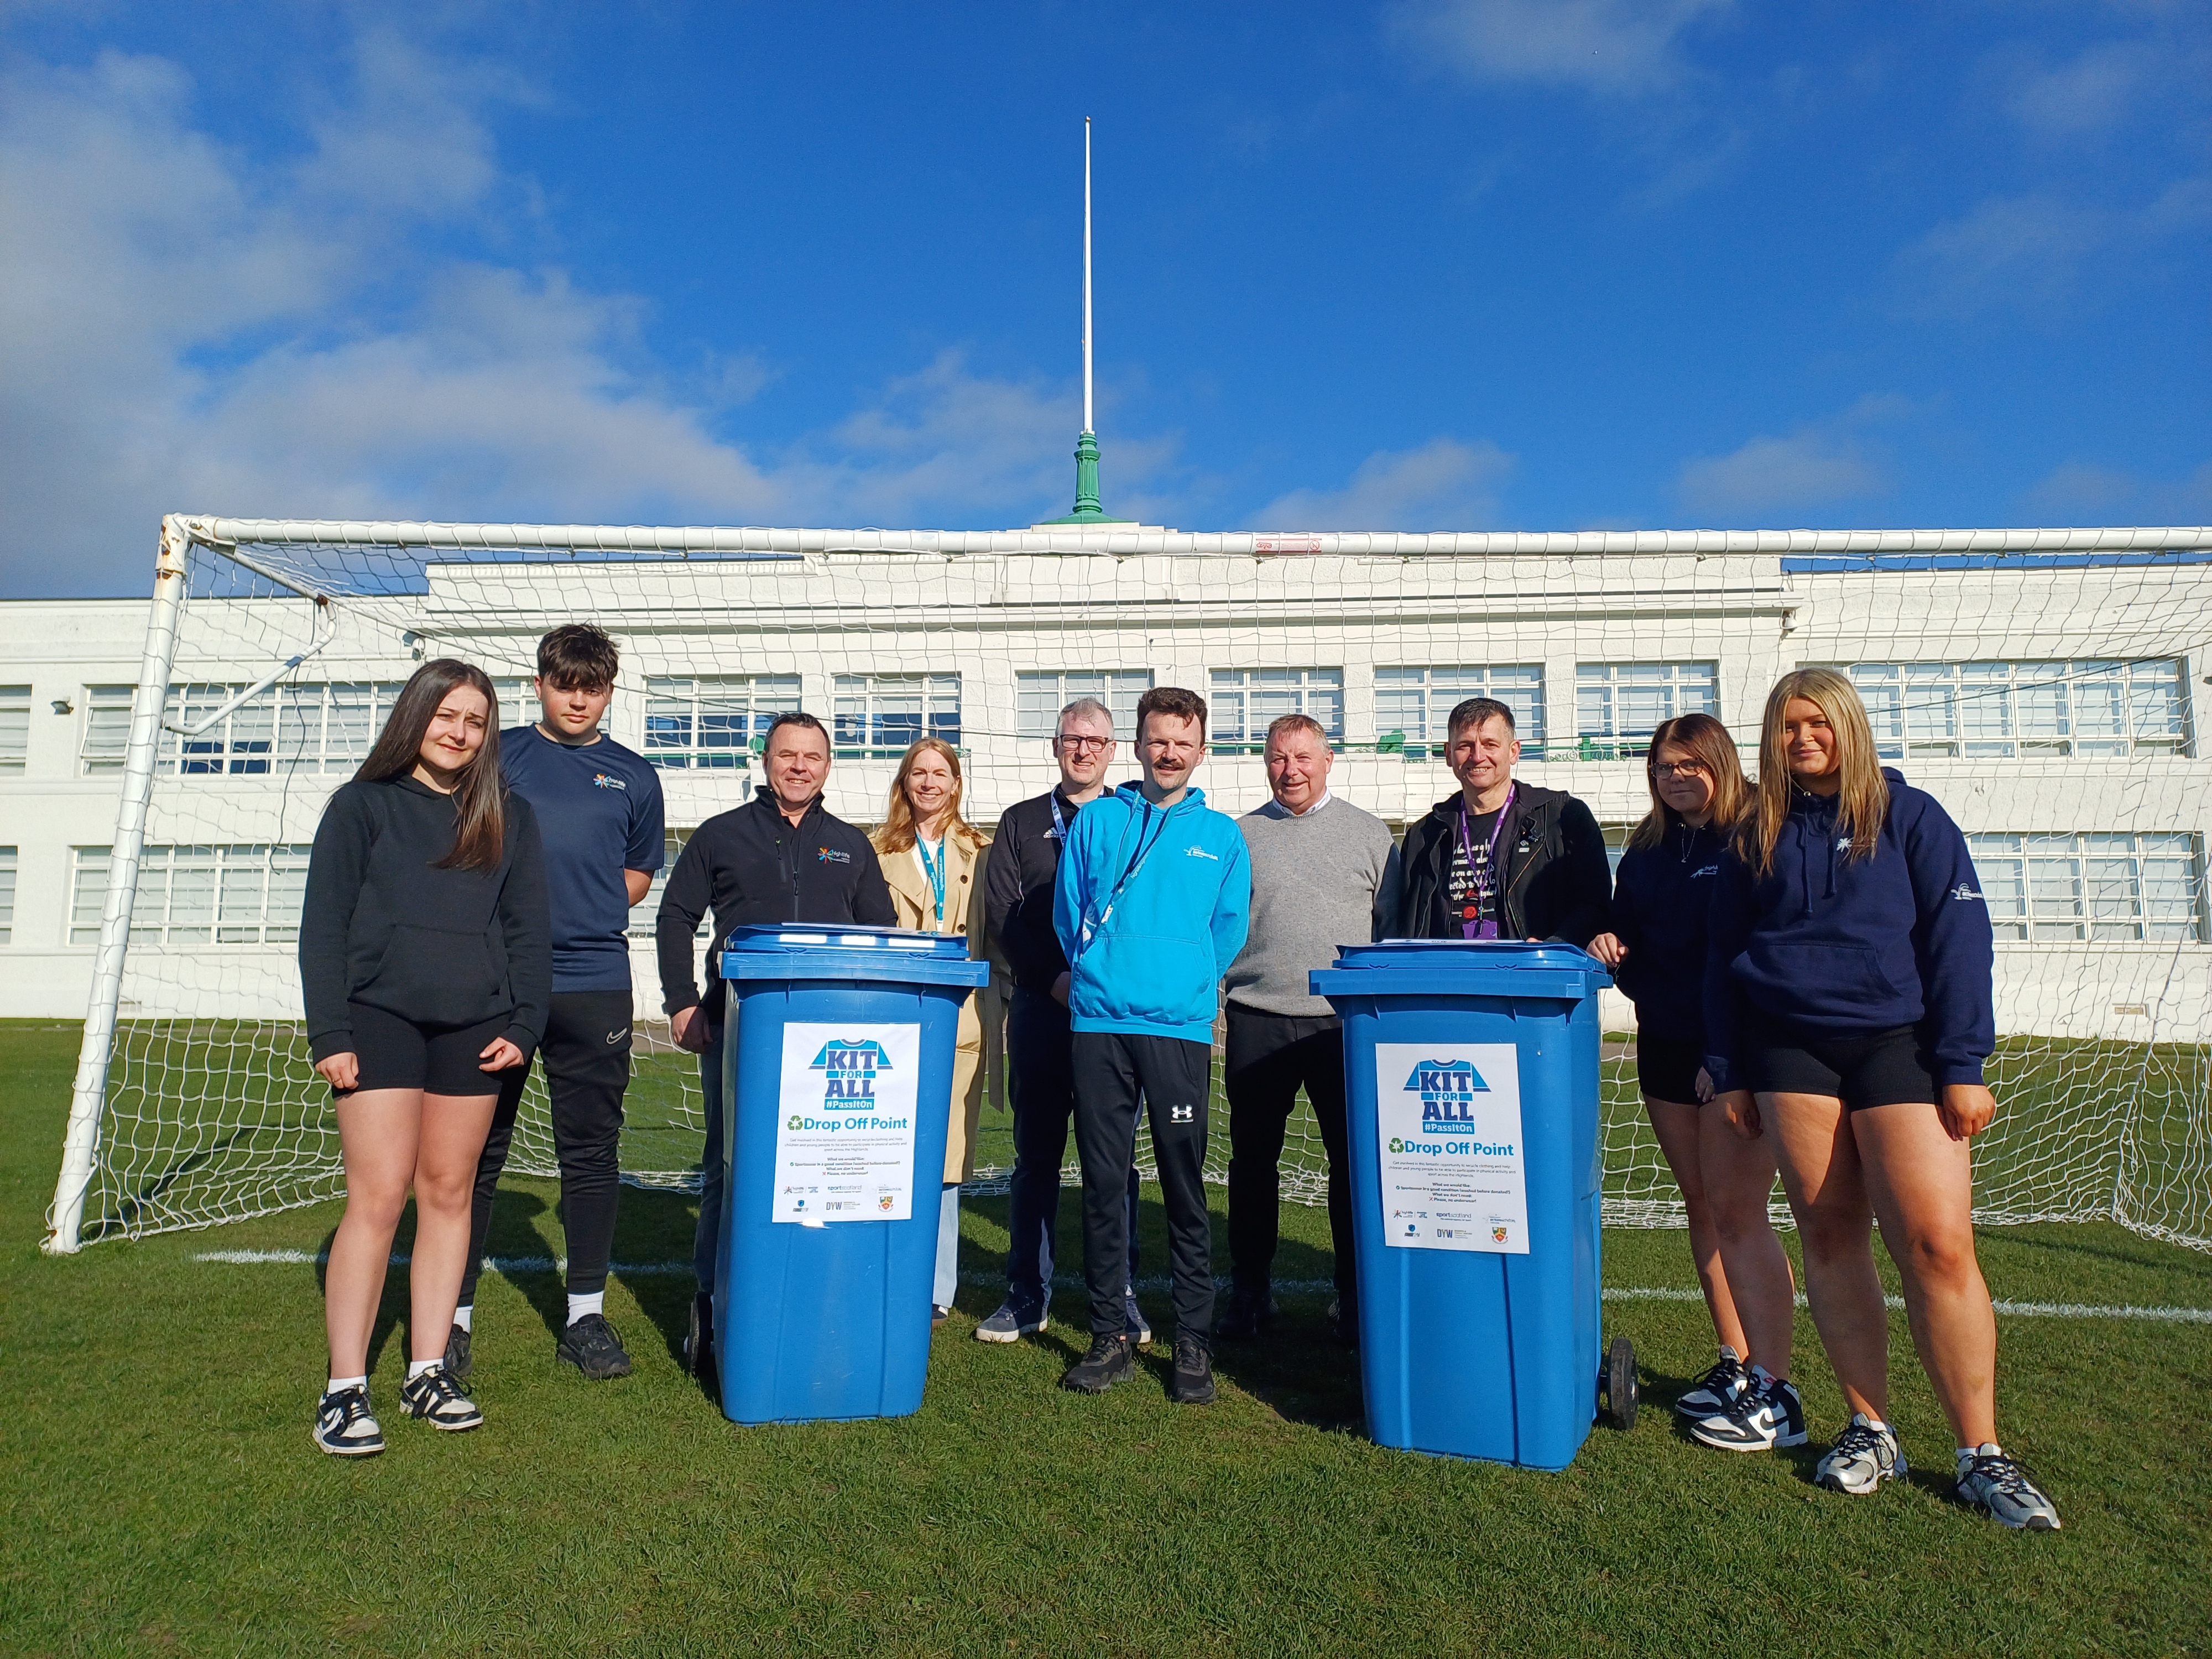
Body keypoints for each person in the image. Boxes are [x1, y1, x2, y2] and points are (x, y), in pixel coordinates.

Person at [1705, 667, 2060, 1529]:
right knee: (1829, 1235)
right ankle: (1871, 1430)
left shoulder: (1912, 815)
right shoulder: (1758, 829)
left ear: (1848, 727)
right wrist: (1731, 1066)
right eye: (1787, 726)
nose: (1802, 739)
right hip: (1792, 1053)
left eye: (1817, 723)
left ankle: (1983, 1455)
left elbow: (1958, 938)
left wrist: (1962, 1061)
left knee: (1938, 1243)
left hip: (1900, 1046)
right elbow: (1724, 957)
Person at [298, 659, 549, 1455]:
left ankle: (429, 1370)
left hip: (475, 1030)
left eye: (476, 721)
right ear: (416, 716)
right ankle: (345, 1390)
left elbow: (528, 932)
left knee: (449, 1193)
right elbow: (324, 927)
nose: (461, 732)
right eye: (447, 715)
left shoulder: (509, 815)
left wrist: (526, 1021)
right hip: (378, 1023)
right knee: (378, 1198)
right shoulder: (361, 806)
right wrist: (330, 1034)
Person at [451, 624, 665, 1384]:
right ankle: (454, 1319)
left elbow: (641, 871)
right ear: (540, 683)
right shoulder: (496, 753)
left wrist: (585, 904)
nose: (578, 699)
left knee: (590, 1152)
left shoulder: (634, 775)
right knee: (473, 1154)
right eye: (565, 683)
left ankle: (584, 1317)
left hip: (593, 981)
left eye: (593, 686)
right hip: (498, 981)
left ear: (609, 690)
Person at [655, 711, 895, 1374]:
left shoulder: (850, 844)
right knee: (728, 1165)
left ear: (827, 765)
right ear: (765, 761)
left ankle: (817, 1298)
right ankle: (713, 1299)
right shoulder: (721, 835)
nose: (799, 767)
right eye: (787, 755)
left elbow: (881, 935)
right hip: (741, 1032)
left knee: (824, 1172)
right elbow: (676, 916)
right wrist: (681, 1001)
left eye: (812, 757)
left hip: (830, 1041)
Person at [1584, 713, 1798, 1446]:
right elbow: (1626, 926)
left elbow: (1757, 952)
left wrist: (1726, 1056)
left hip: (1732, 1055)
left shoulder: (1755, 835)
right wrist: (1610, 941)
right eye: (1663, 768)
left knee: (1740, 1213)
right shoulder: (1647, 849)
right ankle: (1733, 1360)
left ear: (1722, 764)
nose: (1675, 779)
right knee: (1702, 1208)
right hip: (1665, 1045)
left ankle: (1773, 1381)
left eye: (1688, 765)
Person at [1053, 686, 1250, 1404]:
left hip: (1178, 1030)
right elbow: (1069, 911)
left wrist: (1186, 980)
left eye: (1183, 742)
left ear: (1201, 751)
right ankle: (1109, 1337)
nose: (1169, 753)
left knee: (1183, 1185)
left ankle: (1192, 1341)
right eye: (1157, 740)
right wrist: (1103, 975)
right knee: (1105, 1186)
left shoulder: (1222, 837)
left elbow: (1227, 929)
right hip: (1100, 1024)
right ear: (1137, 746)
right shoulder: (1099, 821)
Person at [1218, 713, 1399, 1345]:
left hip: (1341, 1026)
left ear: (1327, 760)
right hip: (1256, 1017)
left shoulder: (1370, 836)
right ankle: (1249, 1291)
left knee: (1352, 1165)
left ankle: (1352, 1296)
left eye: (1301, 758)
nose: (1288, 770)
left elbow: (1392, 932)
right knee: (1252, 1164)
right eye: (1276, 758)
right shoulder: (1238, 837)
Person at [975, 697, 1149, 1345]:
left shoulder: (1133, 819)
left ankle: (1121, 1294)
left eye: (1096, 741)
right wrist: (1052, 980)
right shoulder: (1021, 822)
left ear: (1113, 751)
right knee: (1036, 1159)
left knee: (1114, 1163)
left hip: (1109, 1017)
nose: (1083, 751)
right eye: (1072, 740)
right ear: (1056, 747)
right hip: (1041, 1011)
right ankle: (1026, 1294)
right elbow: (1003, 915)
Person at [873, 737, 999, 1325]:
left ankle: (935, 1288)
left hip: (960, 1020)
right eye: (918, 773)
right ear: (905, 783)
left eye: (939, 773)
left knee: (948, 1155)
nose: (928, 783)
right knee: (884, 1145)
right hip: (891, 1019)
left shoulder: (983, 851)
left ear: (955, 784)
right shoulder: (874, 851)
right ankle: (883, 1266)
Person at [1395, 696, 1610, 946]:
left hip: (1533, 975)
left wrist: (1554, 946)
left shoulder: (1561, 818)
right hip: (1448, 979)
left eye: (1490, 744)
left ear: (1514, 752)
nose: (1477, 757)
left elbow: (1595, 906)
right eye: (1465, 745)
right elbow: (1407, 922)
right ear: (1448, 755)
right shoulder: (1426, 834)